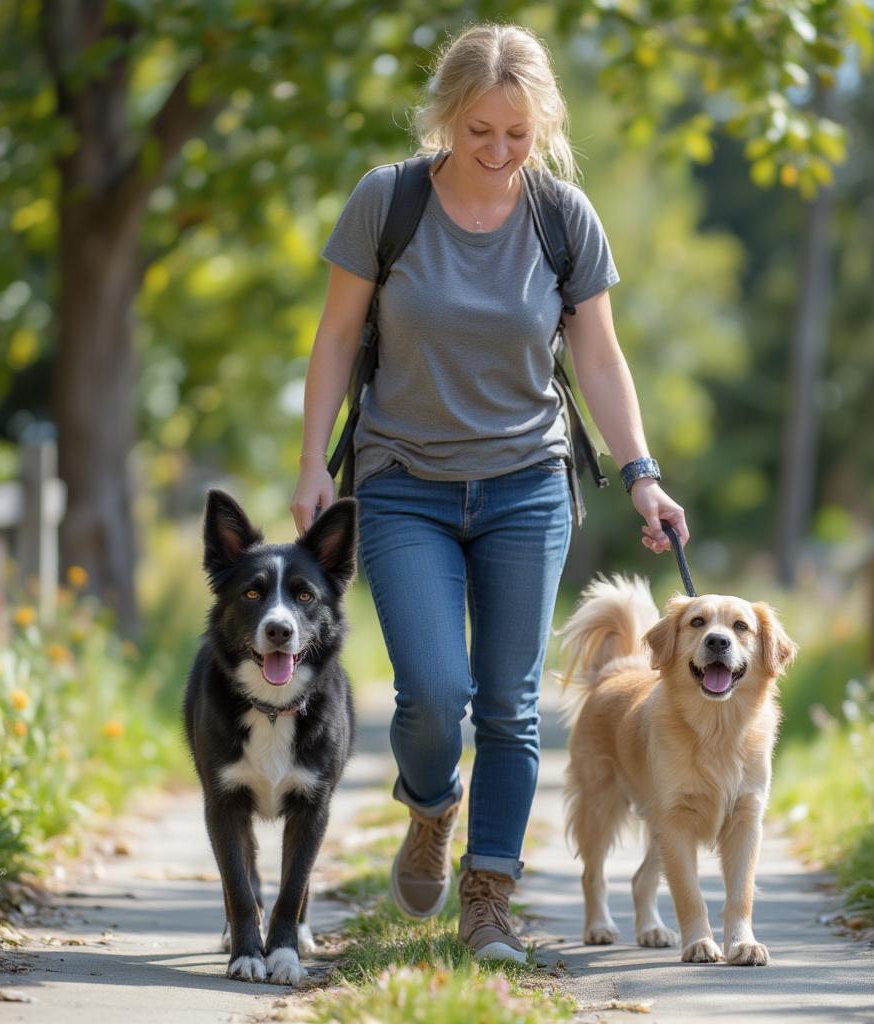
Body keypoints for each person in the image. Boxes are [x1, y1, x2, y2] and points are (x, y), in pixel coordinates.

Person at [291, 22, 690, 963]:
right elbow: (337, 338)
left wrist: (641, 472)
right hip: (402, 484)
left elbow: (597, 353)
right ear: (446, 118)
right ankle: (431, 808)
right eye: (480, 132)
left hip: (525, 485)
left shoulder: (561, 216)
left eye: (518, 134)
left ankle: (490, 898)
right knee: (433, 693)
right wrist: (311, 463)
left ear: (542, 125)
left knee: (510, 706)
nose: (500, 152)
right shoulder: (387, 202)